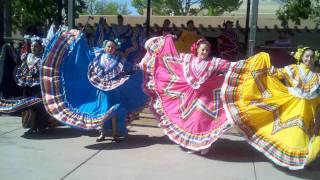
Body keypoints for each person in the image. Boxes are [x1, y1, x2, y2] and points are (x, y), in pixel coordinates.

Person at [221, 47, 320, 170]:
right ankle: (291, 160)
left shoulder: (317, 77)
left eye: (311, 57)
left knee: (304, 136)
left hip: (307, 111)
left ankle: (303, 159)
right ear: (301, 57)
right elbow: (275, 73)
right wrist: (263, 61)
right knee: (293, 134)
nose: (309, 59)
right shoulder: (293, 69)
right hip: (290, 107)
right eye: (307, 56)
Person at [41, 29, 147, 142]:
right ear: (105, 47)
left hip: (113, 90)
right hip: (100, 89)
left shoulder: (120, 60)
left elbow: (130, 68)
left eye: (112, 47)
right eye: (108, 47)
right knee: (101, 110)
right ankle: (102, 133)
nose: (110, 49)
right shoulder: (98, 56)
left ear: (115, 49)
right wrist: (81, 40)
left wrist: (141, 67)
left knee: (113, 111)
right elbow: (86, 54)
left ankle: (115, 133)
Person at [140, 35, 233, 154]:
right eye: (202, 49)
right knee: (192, 122)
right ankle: (194, 145)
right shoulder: (187, 58)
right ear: (197, 49)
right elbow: (171, 58)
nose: (204, 52)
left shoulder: (214, 62)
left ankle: (205, 145)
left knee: (201, 121)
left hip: (206, 98)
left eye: (207, 50)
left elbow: (229, 66)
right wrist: (168, 41)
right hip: (188, 97)